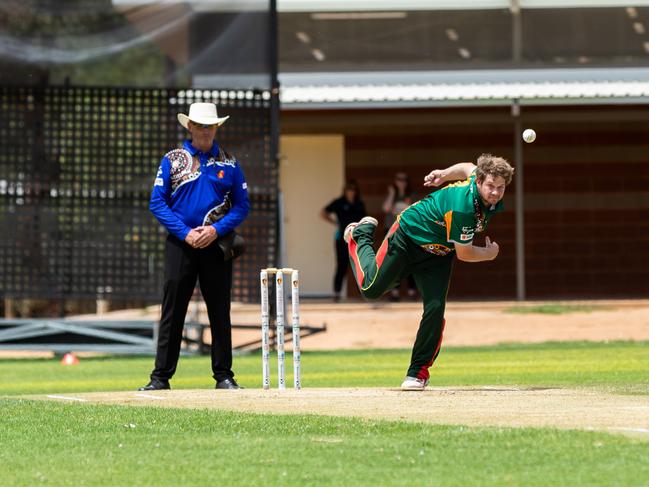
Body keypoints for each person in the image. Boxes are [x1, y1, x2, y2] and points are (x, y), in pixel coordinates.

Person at [344, 154, 514, 391]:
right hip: (408, 236)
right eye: (490, 187)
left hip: (439, 253)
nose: (495, 192)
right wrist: (489, 253)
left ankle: (417, 373)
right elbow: (464, 253)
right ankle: (359, 236)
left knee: (435, 308)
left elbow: (466, 167)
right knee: (371, 290)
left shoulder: (479, 176)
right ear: (479, 183)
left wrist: (444, 174)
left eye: (500, 187)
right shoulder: (463, 208)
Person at [139, 102, 250, 391]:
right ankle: (160, 377)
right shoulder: (172, 159)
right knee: (173, 310)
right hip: (181, 244)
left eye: (210, 125)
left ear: (216, 128)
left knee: (219, 310)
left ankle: (224, 375)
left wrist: (215, 230)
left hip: (216, 245)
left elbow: (242, 206)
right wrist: (186, 233)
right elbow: (157, 203)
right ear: (190, 127)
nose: (205, 131)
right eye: (200, 125)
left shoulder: (230, 162)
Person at [320, 180, 366, 301]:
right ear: (345, 190)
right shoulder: (339, 202)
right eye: (349, 189)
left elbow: (364, 220)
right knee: (341, 265)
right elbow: (323, 212)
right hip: (341, 238)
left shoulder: (359, 204)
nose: (351, 192)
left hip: (356, 238)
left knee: (358, 265)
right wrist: (335, 222)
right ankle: (337, 292)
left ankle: (363, 292)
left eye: (353, 190)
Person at [382, 172, 417, 301]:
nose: (401, 182)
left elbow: (415, 211)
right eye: (398, 179)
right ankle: (394, 292)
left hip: (408, 231)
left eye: (404, 179)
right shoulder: (392, 195)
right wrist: (392, 193)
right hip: (392, 231)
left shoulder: (411, 195)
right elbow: (386, 208)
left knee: (410, 262)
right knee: (393, 262)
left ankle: (412, 291)